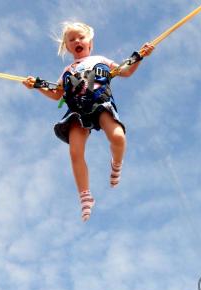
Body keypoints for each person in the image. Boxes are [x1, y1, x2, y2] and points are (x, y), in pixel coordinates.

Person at [23, 22, 154, 222]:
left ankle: (116, 163)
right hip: (77, 110)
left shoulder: (100, 59)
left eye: (81, 37)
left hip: (100, 102)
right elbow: (57, 94)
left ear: (90, 42)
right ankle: (85, 195)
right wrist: (37, 86)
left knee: (118, 137)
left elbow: (124, 71)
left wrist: (140, 57)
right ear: (67, 46)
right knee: (75, 152)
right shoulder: (67, 70)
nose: (77, 41)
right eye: (72, 39)